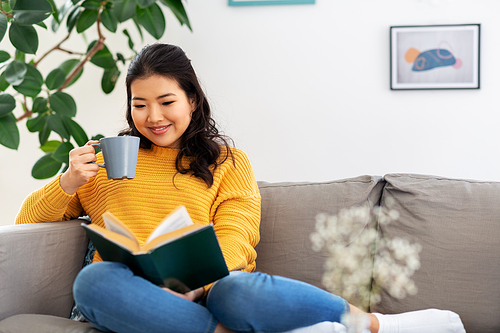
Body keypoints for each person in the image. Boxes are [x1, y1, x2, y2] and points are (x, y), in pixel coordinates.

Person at [16, 43, 465, 333]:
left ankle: (368, 324)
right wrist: (67, 182)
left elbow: (237, 233)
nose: (153, 116)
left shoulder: (226, 162)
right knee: (93, 280)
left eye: (167, 101)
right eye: (140, 104)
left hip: (207, 289)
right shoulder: (98, 159)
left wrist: (195, 283)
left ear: (192, 100)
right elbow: (25, 223)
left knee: (237, 292)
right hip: (129, 293)